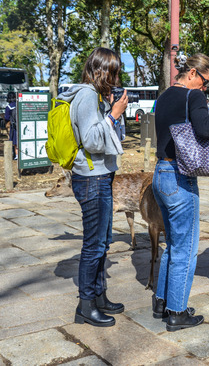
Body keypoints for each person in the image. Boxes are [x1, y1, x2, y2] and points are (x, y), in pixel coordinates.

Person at [152, 53, 209, 332]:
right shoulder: (192, 96)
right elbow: (206, 129)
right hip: (179, 177)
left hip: (160, 173)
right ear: (194, 73)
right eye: (206, 82)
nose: (206, 88)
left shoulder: (164, 96)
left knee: (173, 245)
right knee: (186, 249)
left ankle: (161, 302)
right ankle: (177, 312)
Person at [57, 47, 129, 328]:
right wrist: (113, 114)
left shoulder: (94, 97)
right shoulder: (87, 95)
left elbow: (104, 135)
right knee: (94, 245)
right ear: (101, 71)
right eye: (113, 72)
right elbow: (92, 141)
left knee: (103, 241)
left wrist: (110, 111)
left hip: (100, 177)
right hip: (92, 179)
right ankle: (85, 306)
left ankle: (98, 296)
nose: (115, 77)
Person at [4, 92, 18, 160]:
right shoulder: (19, 104)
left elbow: (6, 117)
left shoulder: (8, 107)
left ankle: (17, 155)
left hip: (14, 126)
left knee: (15, 141)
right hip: (21, 124)